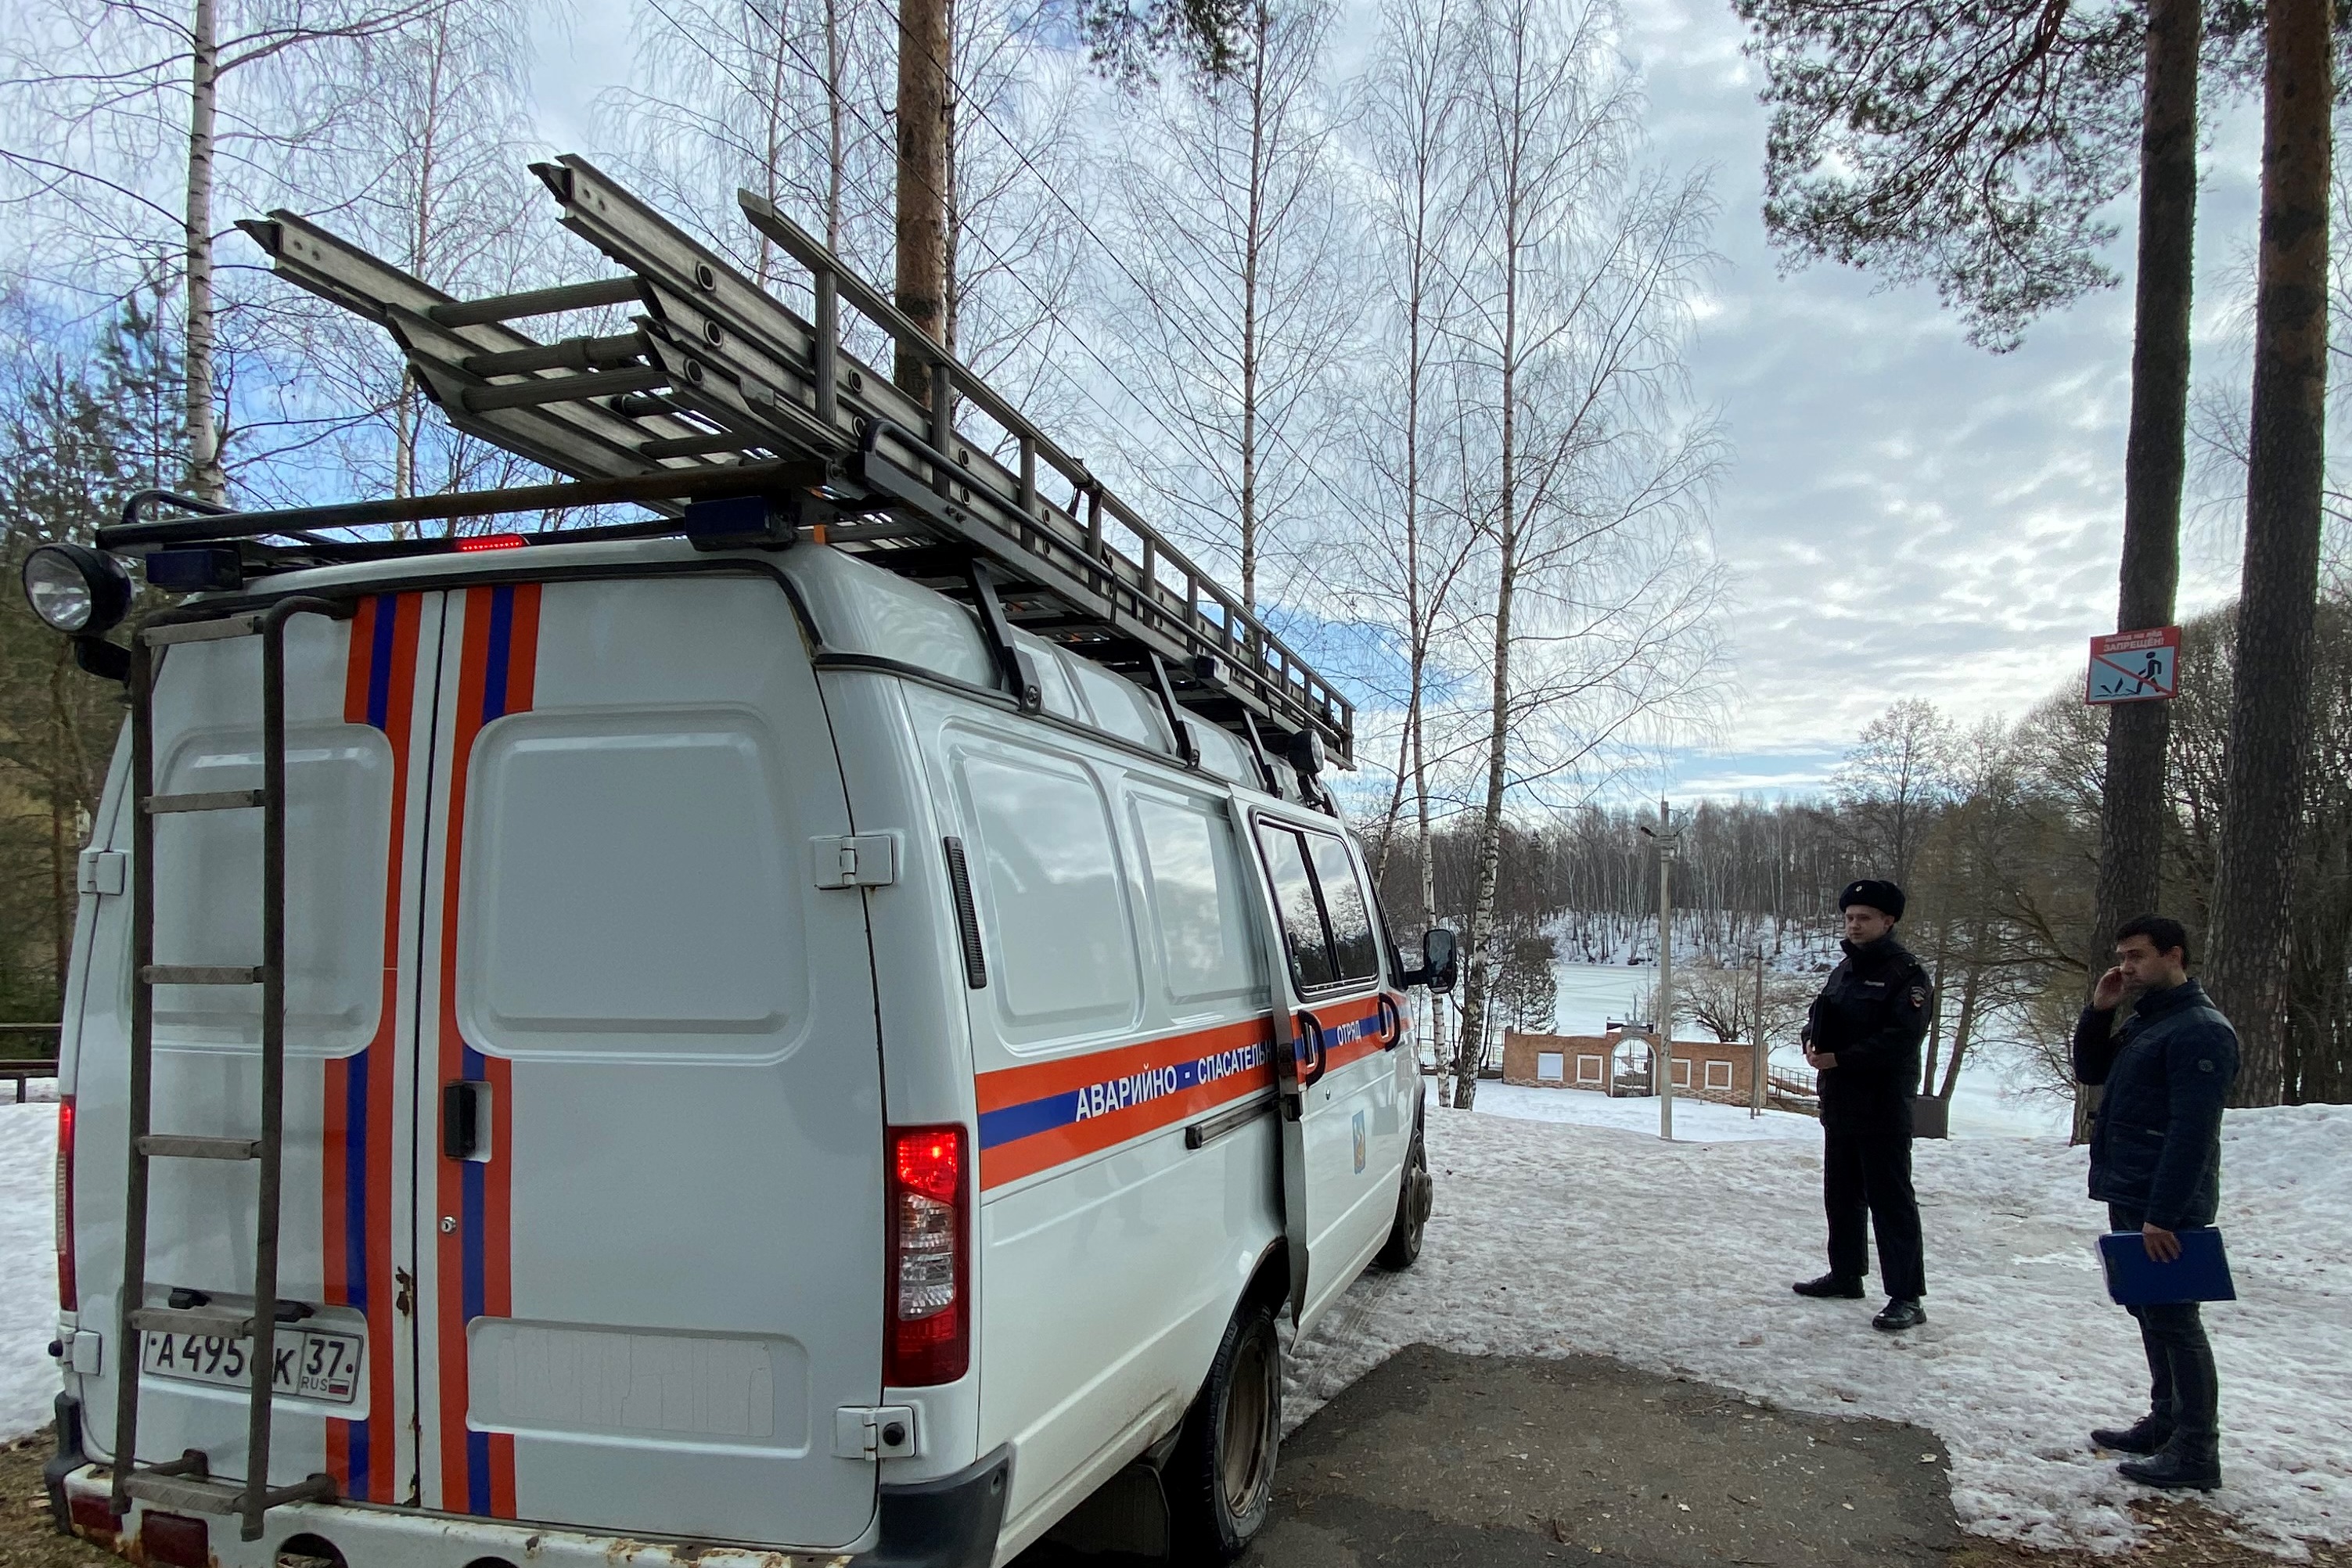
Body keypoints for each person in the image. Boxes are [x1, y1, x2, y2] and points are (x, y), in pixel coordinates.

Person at [2073, 915, 2239, 1491]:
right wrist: (2099, 1012)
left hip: (2165, 1203)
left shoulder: (2200, 1030)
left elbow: (2193, 1133)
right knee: (2150, 1311)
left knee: (2176, 1321)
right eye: (2123, 955)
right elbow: (2091, 1071)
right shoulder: (2151, 1021)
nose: (2127, 966)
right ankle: (2165, 1422)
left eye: (2138, 956)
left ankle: (2197, 1449)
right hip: (2132, 1189)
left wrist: (2162, 1216)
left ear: (2175, 955)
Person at [1791, 879, 1932, 1332]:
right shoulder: (1844, 971)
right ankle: (1847, 1273)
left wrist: (1841, 1059)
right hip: (1841, 1103)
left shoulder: (1907, 975)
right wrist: (1811, 1043)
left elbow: (1901, 1039)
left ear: (1888, 922)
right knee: (1841, 1194)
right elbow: (1820, 1017)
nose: (1854, 925)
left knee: (1890, 1201)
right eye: (1850, 917)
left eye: (1864, 918)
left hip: (1882, 1105)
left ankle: (1907, 1296)